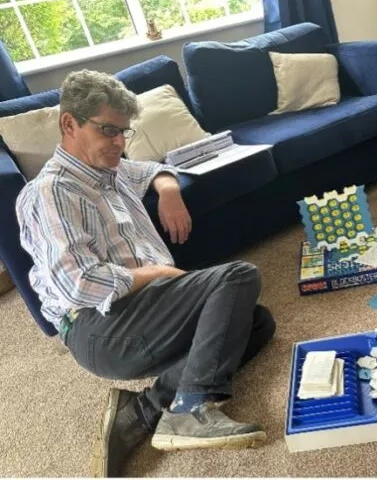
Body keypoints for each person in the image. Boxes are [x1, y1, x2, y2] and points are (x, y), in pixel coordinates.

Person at [15, 70, 276, 477]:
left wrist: (169, 191)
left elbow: (153, 169)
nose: (119, 143)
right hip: (99, 327)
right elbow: (78, 283)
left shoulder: (111, 170)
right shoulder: (52, 192)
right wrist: (156, 273)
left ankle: (143, 410)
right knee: (237, 277)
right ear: (70, 124)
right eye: (108, 131)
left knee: (256, 322)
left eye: (124, 132)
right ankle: (190, 408)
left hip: (143, 309)